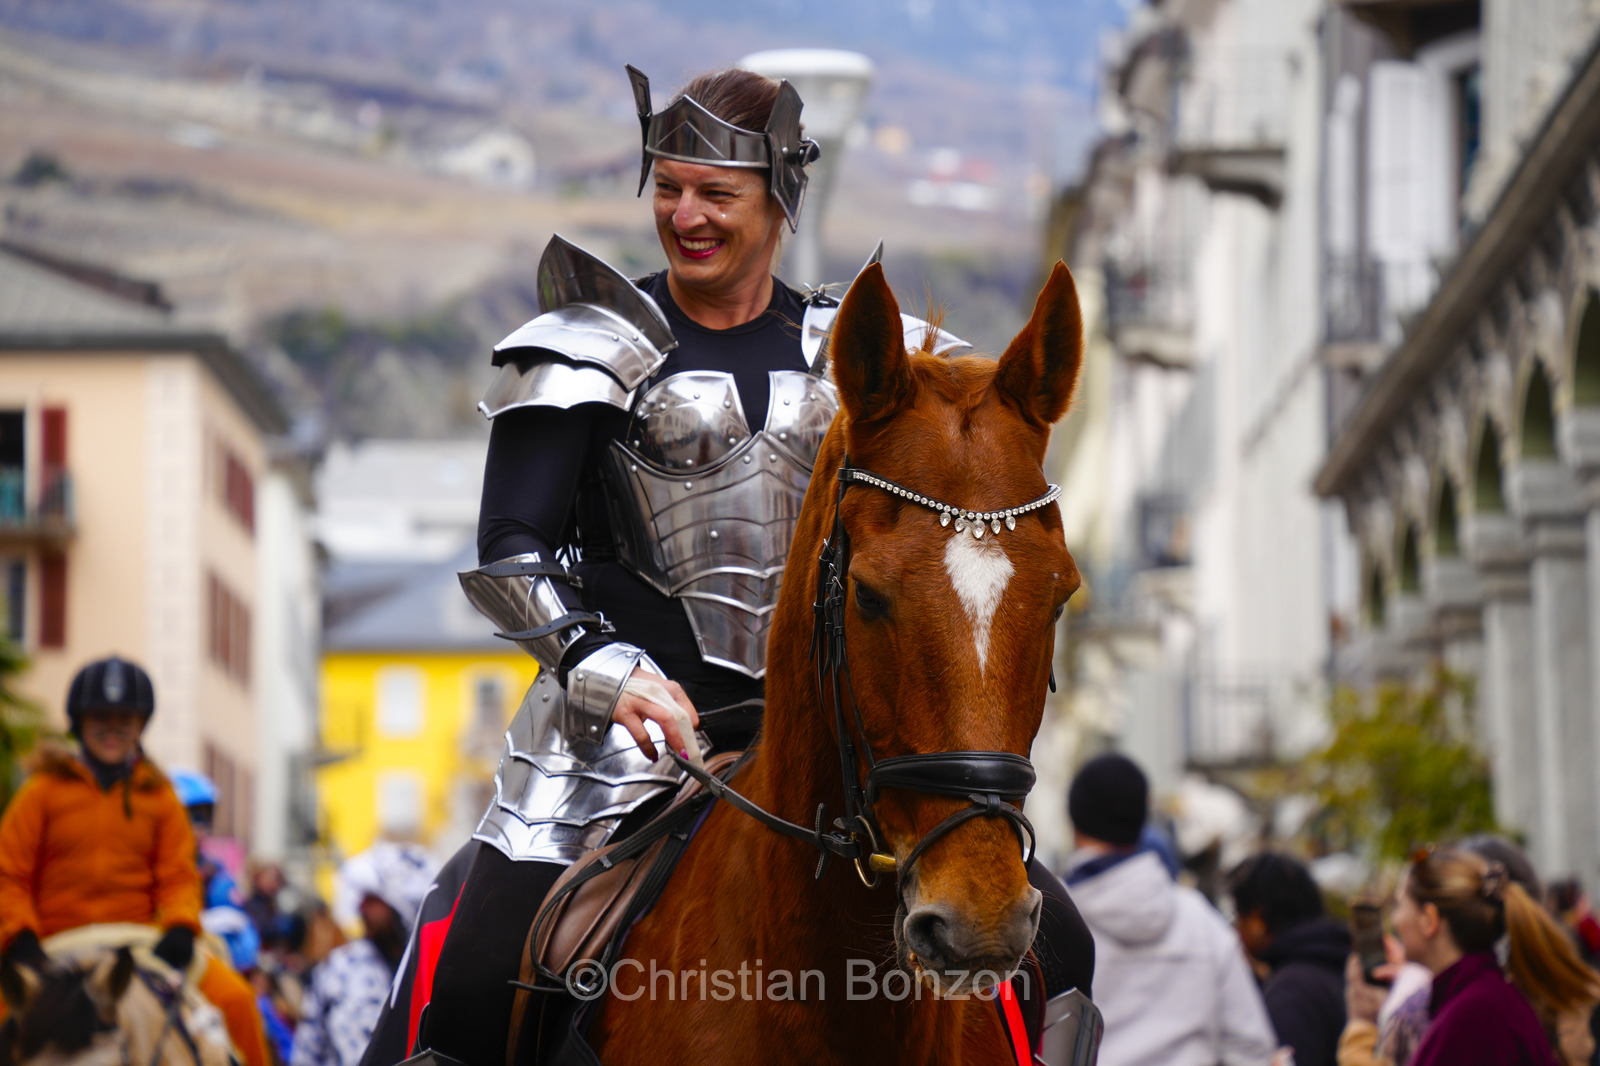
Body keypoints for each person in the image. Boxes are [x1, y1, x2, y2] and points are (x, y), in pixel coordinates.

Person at [368, 63, 1096, 1066]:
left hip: (839, 750)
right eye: (668, 188)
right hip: (614, 752)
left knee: (1063, 944)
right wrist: (607, 670)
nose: (686, 215)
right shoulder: (584, 348)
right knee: (470, 974)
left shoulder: (875, 358)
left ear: (779, 196)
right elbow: (512, 549)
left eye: (716, 192)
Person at [0, 656, 270, 1066]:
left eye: (125, 720)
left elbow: (179, 875)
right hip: (52, 947)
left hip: (141, 945)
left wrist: (179, 927)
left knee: (237, 999)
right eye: (100, 718)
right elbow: (9, 874)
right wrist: (20, 937)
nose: (113, 729)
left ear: (141, 725)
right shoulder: (41, 792)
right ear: (79, 722)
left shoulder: (160, 797)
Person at [1065, 753, 1276, 1066]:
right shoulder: (1200, 921)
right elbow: (1252, 1048)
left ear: (1073, 820)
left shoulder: (1045, 920)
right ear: (1141, 820)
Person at [1385, 845, 1599, 1066]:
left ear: (1429, 919)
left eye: (1400, 905)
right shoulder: (1481, 1001)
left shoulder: (1473, 1019)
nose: (1395, 920)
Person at [291, 843, 437, 1066]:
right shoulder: (339, 969)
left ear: (402, 904)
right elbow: (308, 1050)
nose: (361, 908)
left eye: (372, 900)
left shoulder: (433, 974)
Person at [1229, 852, 1350, 1066]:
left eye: (1239, 917)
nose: (1236, 931)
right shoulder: (1337, 962)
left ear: (1257, 920)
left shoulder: (1289, 995)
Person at [173, 767, 263, 974]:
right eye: (192, 816)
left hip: (203, 963)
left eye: (204, 817)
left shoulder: (215, 872)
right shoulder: (147, 865)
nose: (200, 826)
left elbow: (243, 944)